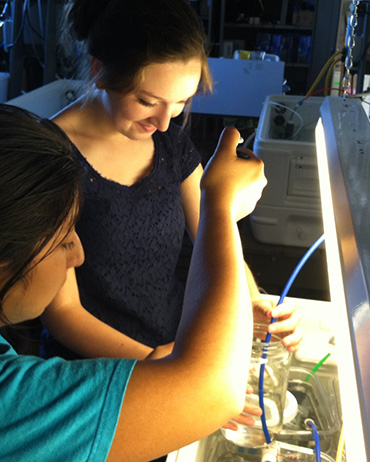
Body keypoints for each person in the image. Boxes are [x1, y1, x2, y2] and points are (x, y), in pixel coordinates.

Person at [0, 102, 267, 461]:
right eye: (63, 240)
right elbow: (214, 393)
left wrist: (156, 375)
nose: (78, 253)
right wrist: (220, 204)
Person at [41, 0, 302, 362]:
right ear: (100, 70)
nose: (164, 122)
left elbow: (214, 238)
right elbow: (63, 314)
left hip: (175, 343)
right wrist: (165, 370)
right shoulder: (48, 155)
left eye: (180, 101)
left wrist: (252, 302)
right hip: (93, 373)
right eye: (147, 101)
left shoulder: (170, 144)